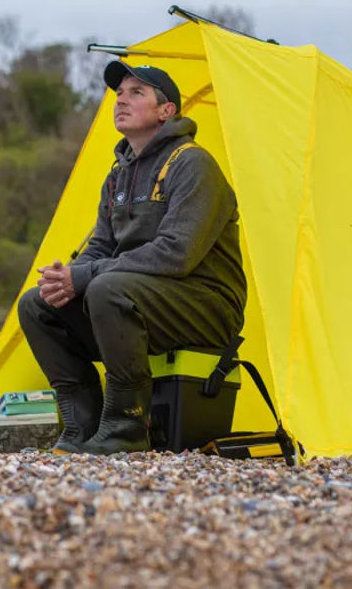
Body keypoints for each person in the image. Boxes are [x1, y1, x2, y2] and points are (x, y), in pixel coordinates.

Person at [19, 61, 247, 455]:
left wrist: (87, 276)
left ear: (166, 110)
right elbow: (102, 247)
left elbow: (176, 253)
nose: (121, 100)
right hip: (136, 298)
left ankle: (126, 427)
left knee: (106, 288)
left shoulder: (192, 164)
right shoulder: (118, 175)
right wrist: (67, 277)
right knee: (38, 305)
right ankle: (83, 428)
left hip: (207, 306)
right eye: (119, 93)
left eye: (136, 93)